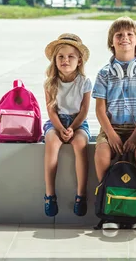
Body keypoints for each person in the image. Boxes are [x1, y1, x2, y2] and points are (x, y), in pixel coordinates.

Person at [92, 16, 136, 230]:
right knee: (102, 154)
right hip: (111, 128)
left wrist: (134, 137)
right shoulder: (103, 73)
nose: (125, 38)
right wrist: (111, 135)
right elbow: (100, 109)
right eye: (119, 35)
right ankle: (109, 210)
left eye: (130, 35)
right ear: (111, 42)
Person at [43, 33, 93, 217]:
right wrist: (60, 128)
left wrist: (72, 127)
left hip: (78, 122)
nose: (65, 60)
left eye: (70, 56)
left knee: (80, 144)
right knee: (52, 142)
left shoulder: (84, 83)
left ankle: (81, 195)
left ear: (79, 60)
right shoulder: (50, 83)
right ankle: (49, 194)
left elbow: (84, 110)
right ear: (55, 60)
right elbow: (51, 111)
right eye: (60, 57)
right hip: (56, 122)